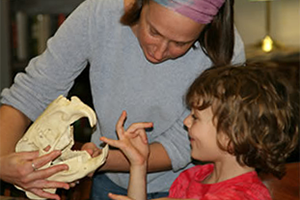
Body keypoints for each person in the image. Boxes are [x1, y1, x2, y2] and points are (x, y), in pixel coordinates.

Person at [0, 0, 245, 199]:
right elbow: (32, 92)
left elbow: (181, 145)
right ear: (137, 4)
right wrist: (2, 162)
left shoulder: (226, 47)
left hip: (192, 187)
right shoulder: (100, 12)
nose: (158, 52)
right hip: (109, 183)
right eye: (154, 31)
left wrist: (95, 161)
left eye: (180, 43)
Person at [101, 64, 300, 200]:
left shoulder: (245, 195)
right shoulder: (194, 176)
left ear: (231, 135)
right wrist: (139, 165)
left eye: (195, 117)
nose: (186, 122)